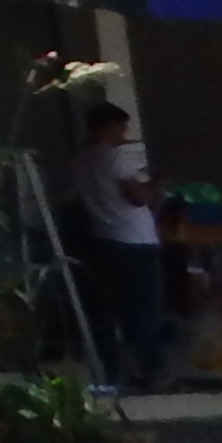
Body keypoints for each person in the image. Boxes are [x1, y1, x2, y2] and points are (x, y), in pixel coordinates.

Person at [75, 101, 170, 391]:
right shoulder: (115, 157)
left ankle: (110, 374)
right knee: (142, 311)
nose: (123, 135)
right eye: (120, 128)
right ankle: (152, 372)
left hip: (102, 239)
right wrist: (157, 182)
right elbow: (139, 197)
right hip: (135, 241)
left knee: (105, 312)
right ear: (107, 127)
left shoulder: (80, 159)